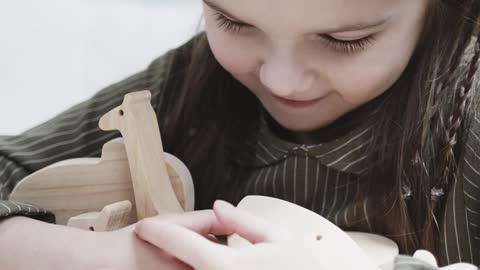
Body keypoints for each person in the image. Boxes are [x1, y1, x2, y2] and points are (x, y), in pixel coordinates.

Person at [0, 0, 479, 268]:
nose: (281, 80)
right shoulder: (186, 86)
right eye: (233, 22)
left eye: (344, 40)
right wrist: (97, 258)